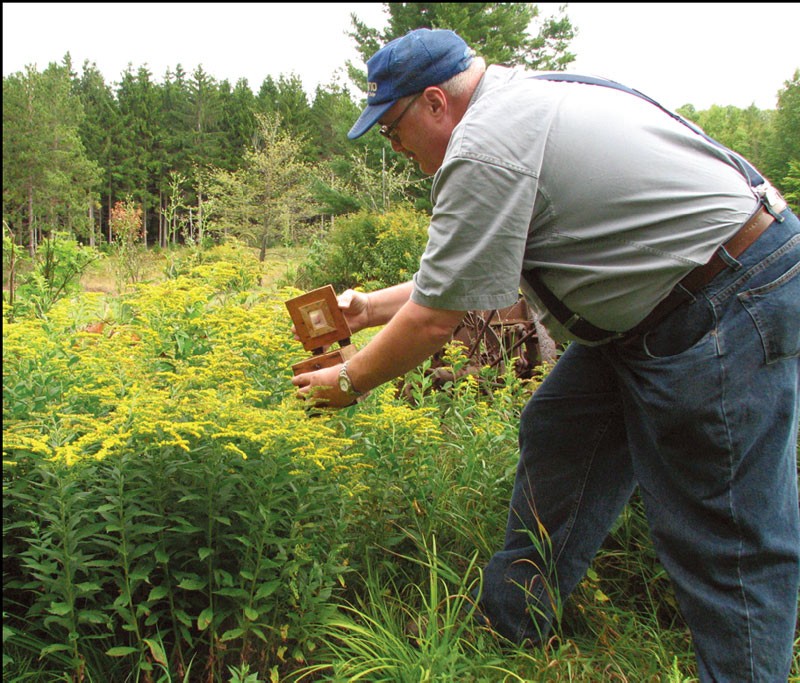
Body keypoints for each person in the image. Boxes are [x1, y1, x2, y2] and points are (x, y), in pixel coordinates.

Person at [291, 28, 800, 682]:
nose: (395, 149)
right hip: (657, 306)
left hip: (723, 298)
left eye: (393, 131)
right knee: (562, 434)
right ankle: (510, 626)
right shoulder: (513, 106)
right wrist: (366, 310)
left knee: (725, 532)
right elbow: (456, 279)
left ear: (435, 102)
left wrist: (347, 379)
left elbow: (433, 322)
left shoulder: (487, 146)